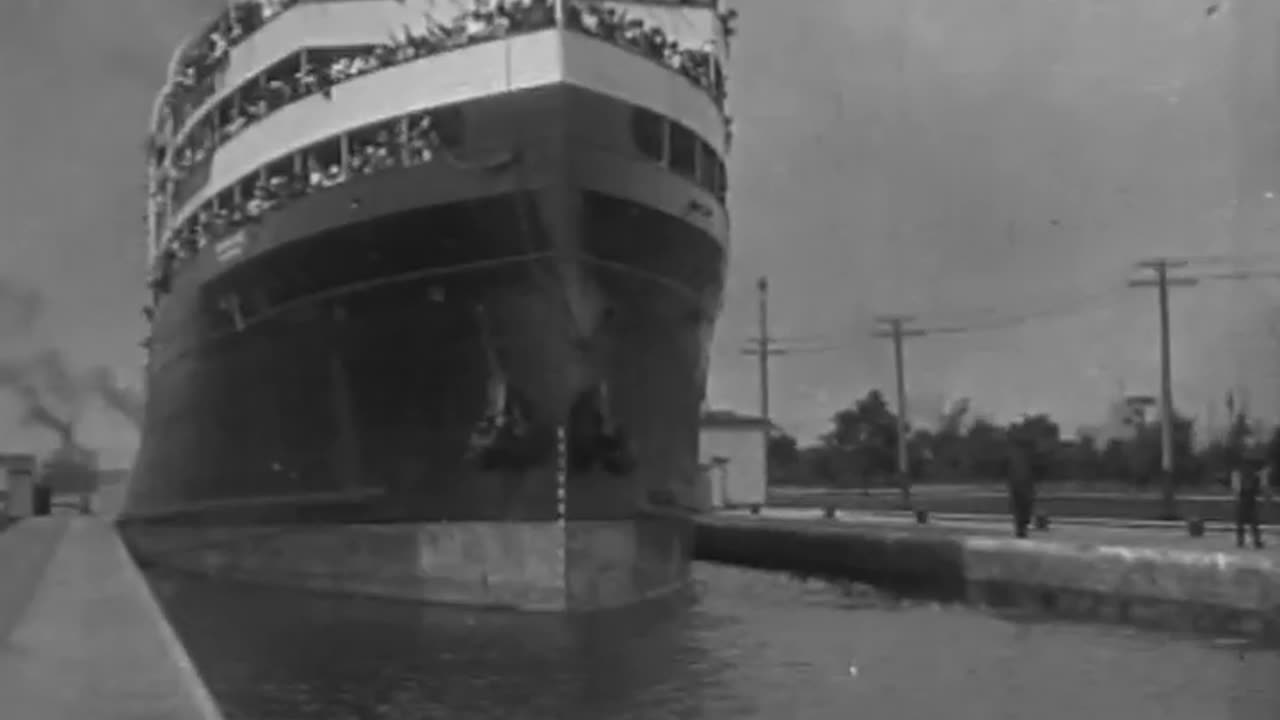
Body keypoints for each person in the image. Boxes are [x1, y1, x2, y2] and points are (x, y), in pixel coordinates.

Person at [1230, 446, 1271, 549]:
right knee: (1253, 521)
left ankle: (1241, 541)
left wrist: (1236, 497)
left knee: (1241, 520)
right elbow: (1263, 486)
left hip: (1243, 497)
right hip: (1250, 497)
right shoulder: (1257, 471)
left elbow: (1236, 487)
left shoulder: (1239, 470)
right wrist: (1267, 497)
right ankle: (1256, 541)